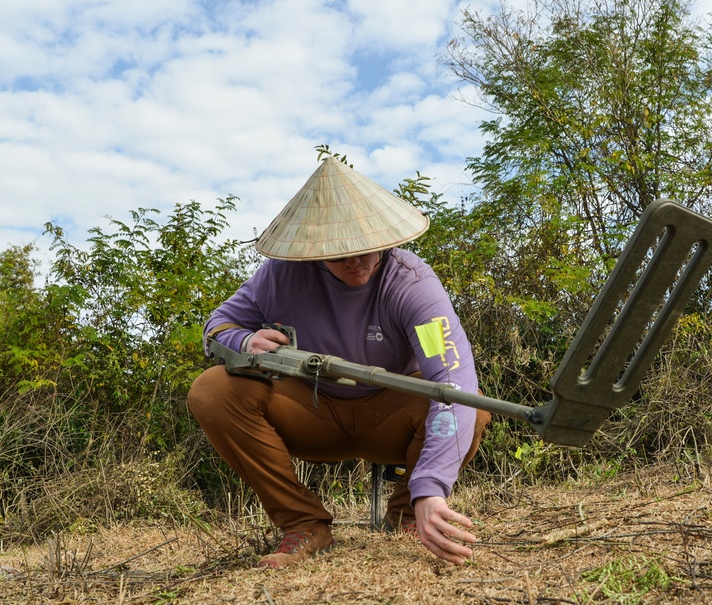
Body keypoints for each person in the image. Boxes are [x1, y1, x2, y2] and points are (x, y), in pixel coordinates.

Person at [188, 155, 490, 568]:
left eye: (368, 251)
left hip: (391, 414)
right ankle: (304, 524)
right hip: (310, 411)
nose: (357, 263)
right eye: (340, 255)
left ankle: (407, 514)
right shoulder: (280, 277)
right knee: (212, 389)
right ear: (314, 252)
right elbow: (218, 326)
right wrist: (244, 339)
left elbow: (451, 379)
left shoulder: (412, 286)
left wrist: (430, 489)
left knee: (470, 403)